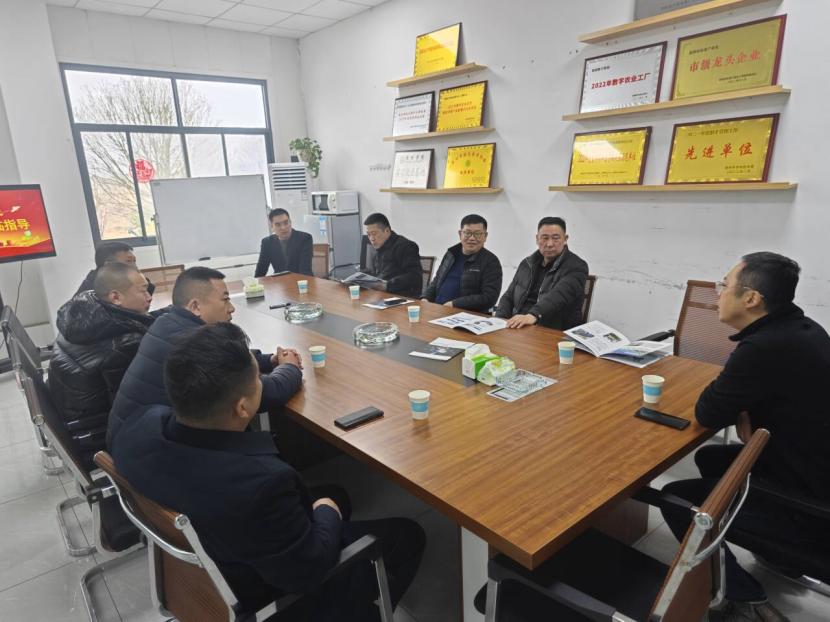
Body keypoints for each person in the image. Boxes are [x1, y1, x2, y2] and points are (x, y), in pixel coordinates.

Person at [111, 323, 425, 621]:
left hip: (212, 556)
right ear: (242, 408)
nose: (263, 381)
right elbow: (309, 571)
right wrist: (326, 510)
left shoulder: (138, 429)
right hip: (276, 596)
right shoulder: (261, 484)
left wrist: (326, 505)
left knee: (336, 494)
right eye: (258, 379)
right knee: (406, 535)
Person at [660, 252, 830, 622]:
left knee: (675, 499)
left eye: (725, 284)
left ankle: (743, 598)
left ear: (751, 298)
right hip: (810, 469)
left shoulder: (763, 348)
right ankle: (778, 557)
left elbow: (708, 412)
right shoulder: (803, 330)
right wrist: (743, 410)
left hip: (807, 507)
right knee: (709, 458)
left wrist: (740, 408)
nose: (718, 292)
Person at [107, 266, 302, 447]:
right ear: (195, 306)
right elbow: (265, 393)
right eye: (225, 299)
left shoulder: (167, 322)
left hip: (135, 437)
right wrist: (290, 367)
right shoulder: (187, 342)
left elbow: (225, 357)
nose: (232, 308)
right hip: (159, 449)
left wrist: (269, 360)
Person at [48, 263, 154, 470]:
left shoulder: (82, 313)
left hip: (76, 425)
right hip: (98, 440)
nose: (149, 296)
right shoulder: (124, 343)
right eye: (143, 290)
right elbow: (135, 407)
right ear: (116, 297)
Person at [495, 216, 588, 329]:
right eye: (545, 238)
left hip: (552, 329)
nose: (549, 244)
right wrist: (499, 321)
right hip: (519, 325)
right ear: (537, 239)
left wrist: (533, 315)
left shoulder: (577, 266)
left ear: (565, 239)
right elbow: (509, 296)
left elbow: (559, 296)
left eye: (556, 238)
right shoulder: (527, 264)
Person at [421, 214, 502, 312]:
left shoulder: (491, 261)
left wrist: (454, 304)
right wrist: (425, 298)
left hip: (464, 315)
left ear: (485, 236)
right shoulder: (450, 254)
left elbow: (489, 297)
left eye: (477, 234)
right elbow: (437, 280)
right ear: (460, 234)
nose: (472, 238)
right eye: (467, 233)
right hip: (437, 309)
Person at [361, 213, 422, 297]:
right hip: (382, 295)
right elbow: (379, 275)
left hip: (403, 297)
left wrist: (387, 285)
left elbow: (414, 276)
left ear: (387, 231)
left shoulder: (406, 246)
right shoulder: (379, 248)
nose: (371, 238)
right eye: (369, 234)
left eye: (374, 233)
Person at [76, 240, 155, 296]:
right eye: (128, 261)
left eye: (134, 261)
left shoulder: (122, 280)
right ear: (108, 266)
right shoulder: (93, 293)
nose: (135, 266)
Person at [255, 208, 314, 277]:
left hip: (302, 281)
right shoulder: (267, 243)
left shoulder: (304, 238)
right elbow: (261, 271)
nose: (283, 227)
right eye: (278, 225)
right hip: (280, 281)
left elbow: (305, 270)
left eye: (286, 223)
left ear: (290, 222)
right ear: (272, 227)